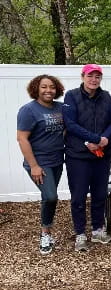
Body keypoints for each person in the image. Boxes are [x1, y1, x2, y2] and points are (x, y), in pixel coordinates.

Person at [63, 64, 111, 252]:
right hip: (78, 155)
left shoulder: (106, 96)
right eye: (90, 76)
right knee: (78, 197)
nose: (94, 80)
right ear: (83, 76)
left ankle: (97, 230)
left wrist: (104, 139)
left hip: (102, 155)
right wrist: (93, 139)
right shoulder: (71, 96)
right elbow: (70, 124)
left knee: (100, 194)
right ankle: (80, 234)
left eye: (97, 76)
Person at [16, 75, 65, 254]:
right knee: (51, 196)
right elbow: (22, 138)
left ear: (56, 89)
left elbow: (68, 128)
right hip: (38, 162)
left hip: (57, 161)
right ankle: (45, 234)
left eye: (52, 87)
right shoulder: (28, 110)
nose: (48, 90)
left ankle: (47, 229)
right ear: (36, 89)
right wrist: (34, 166)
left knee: (49, 197)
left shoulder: (61, 108)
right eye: (44, 87)